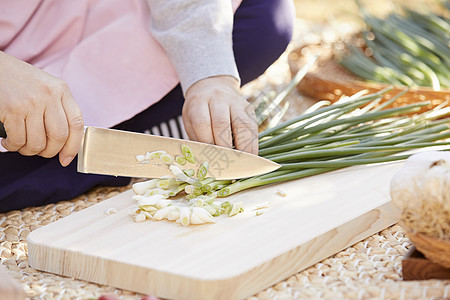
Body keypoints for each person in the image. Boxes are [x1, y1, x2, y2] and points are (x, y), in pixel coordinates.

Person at [0, 0, 294, 295]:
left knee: (262, 17)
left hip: (82, 15)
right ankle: (143, 133)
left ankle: (135, 129)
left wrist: (212, 78)